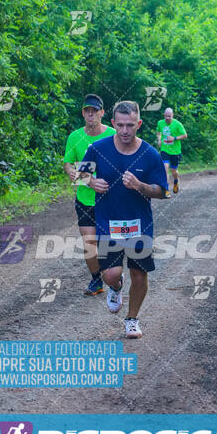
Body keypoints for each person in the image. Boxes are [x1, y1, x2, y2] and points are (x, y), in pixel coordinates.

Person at [79, 100, 168, 338]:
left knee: (139, 274)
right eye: (121, 125)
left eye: (130, 125)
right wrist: (91, 182)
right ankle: (116, 288)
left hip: (139, 225)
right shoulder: (98, 148)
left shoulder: (150, 154)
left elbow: (162, 191)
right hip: (109, 223)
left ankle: (132, 319)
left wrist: (140, 186)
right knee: (110, 274)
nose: (125, 131)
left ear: (138, 123)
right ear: (113, 124)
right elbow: (80, 175)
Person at [64, 94, 115, 296]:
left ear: (102, 112)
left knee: (108, 242)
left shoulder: (113, 134)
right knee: (89, 242)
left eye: (95, 110)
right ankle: (96, 279)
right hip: (85, 198)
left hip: (110, 198)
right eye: (87, 110)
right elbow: (69, 162)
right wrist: (69, 170)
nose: (91, 113)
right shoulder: (75, 137)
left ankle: (113, 273)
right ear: (83, 113)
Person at [156, 108, 187, 196]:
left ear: (172, 115)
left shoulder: (177, 124)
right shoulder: (160, 123)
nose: (167, 118)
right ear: (164, 115)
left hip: (175, 151)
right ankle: (166, 189)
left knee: (174, 171)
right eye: (166, 116)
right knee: (165, 168)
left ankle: (176, 181)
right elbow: (158, 132)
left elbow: (185, 135)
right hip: (164, 149)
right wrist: (159, 140)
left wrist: (174, 138)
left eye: (169, 116)